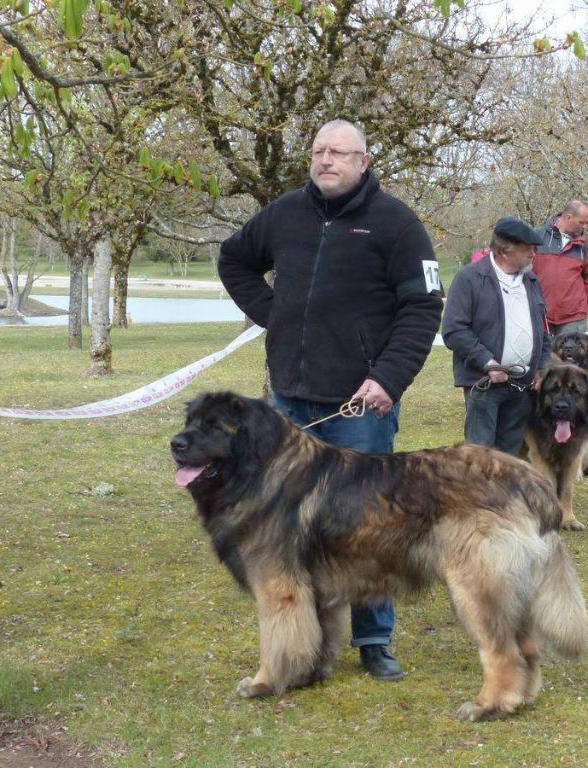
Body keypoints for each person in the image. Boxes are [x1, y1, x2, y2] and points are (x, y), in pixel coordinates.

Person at [217, 118, 443, 683]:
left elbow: (423, 308)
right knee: (284, 529)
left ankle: (374, 641)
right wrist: (278, 316)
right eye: (318, 151)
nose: (325, 160)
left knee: (369, 528)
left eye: (338, 153)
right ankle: (301, 647)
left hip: (359, 410)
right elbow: (233, 259)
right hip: (288, 405)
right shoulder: (285, 213)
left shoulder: (396, 224)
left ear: (364, 161)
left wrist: (388, 379)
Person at [442, 216, 552, 455]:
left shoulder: (531, 281)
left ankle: (502, 494)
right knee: (480, 455)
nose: (534, 254)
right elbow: (454, 330)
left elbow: (543, 332)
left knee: (509, 455)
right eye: (528, 249)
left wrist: (542, 368)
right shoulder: (469, 279)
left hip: (523, 386)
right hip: (484, 384)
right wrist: (488, 363)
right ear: (504, 250)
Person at [532, 200, 588, 336]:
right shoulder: (537, 238)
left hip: (573, 317)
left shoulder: (586, 247)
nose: (585, 227)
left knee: (571, 358)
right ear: (568, 217)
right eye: (581, 222)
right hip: (541, 315)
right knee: (543, 357)